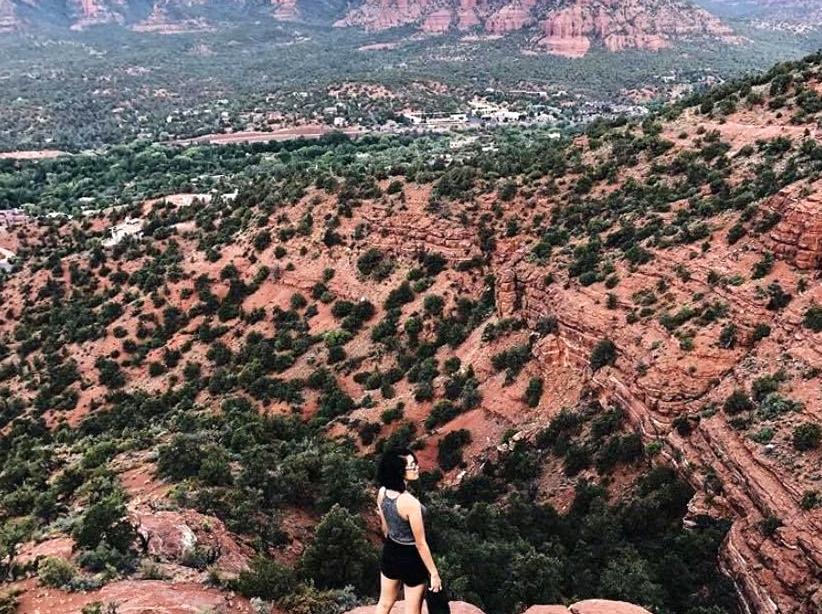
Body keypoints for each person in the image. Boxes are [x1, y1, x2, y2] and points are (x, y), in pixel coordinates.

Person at [375, 448, 441, 614]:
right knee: (412, 611)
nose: (417, 467)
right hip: (411, 558)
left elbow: (385, 529)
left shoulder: (382, 492)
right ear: (399, 471)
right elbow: (420, 543)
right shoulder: (410, 503)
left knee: (383, 604)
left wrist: (394, 542)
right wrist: (434, 573)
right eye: (412, 465)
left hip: (390, 552)